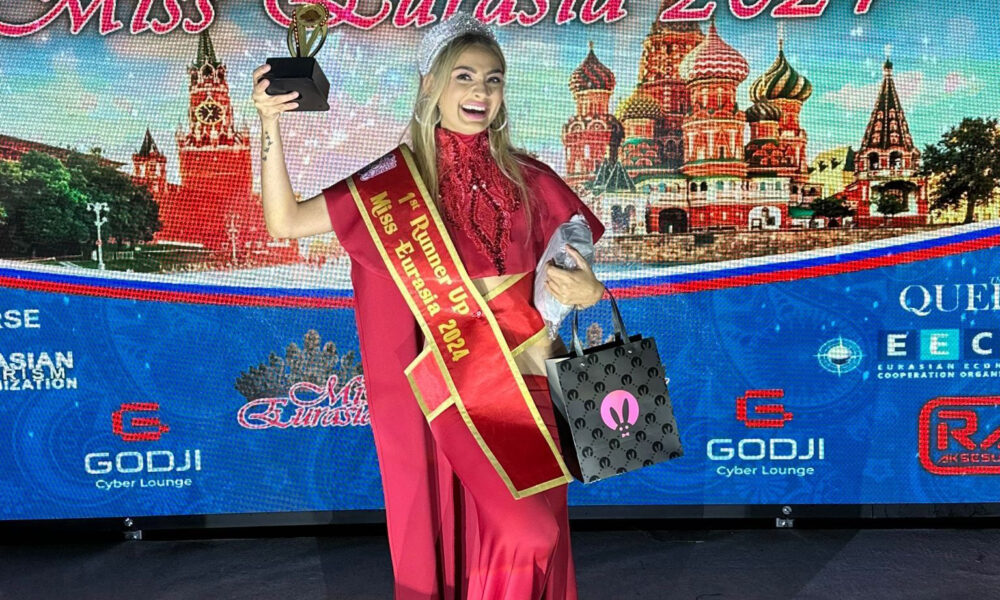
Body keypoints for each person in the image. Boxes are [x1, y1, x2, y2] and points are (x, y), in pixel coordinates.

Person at [252, 14, 605, 600]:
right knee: (527, 535)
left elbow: (575, 271)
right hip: (457, 390)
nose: (480, 91)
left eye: (493, 79)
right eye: (464, 75)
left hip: (534, 385)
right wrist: (269, 125)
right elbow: (285, 222)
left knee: (513, 547)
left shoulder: (534, 180)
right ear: (431, 84)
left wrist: (589, 291)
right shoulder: (391, 184)